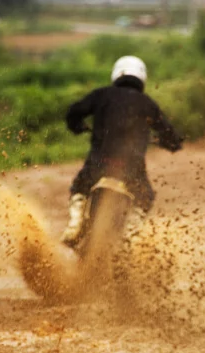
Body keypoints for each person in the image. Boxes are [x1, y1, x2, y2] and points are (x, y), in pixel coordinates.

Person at [61, 55, 183, 246]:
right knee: (145, 196)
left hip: (98, 164)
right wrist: (172, 143)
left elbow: (73, 112)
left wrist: (77, 126)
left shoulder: (101, 95)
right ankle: (130, 238)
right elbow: (169, 133)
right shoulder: (147, 104)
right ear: (142, 78)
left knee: (80, 187)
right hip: (131, 169)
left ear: (116, 74)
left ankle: (75, 224)